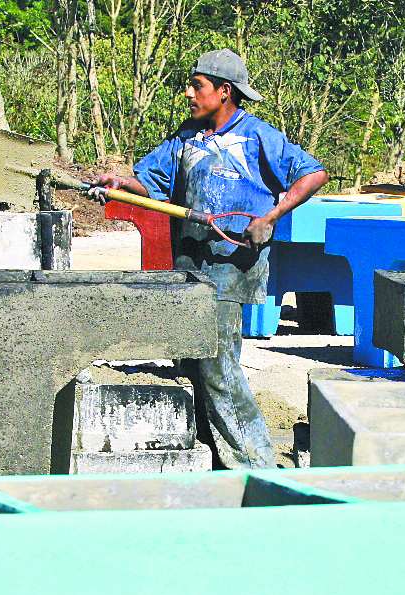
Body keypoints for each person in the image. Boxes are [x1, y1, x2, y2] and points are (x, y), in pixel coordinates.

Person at [89, 48, 328, 470]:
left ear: (224, 91)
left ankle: (257, 468)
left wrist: (269, 216)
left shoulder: (258, 136)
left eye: (196, 85)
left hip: (229, 270)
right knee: (191, 365)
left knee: (219, 370)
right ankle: (210, 461)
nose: (187, 93)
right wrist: (120, 183)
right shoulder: (186, 137)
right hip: (189, 271)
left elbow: (313, 173)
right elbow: (149, 182)